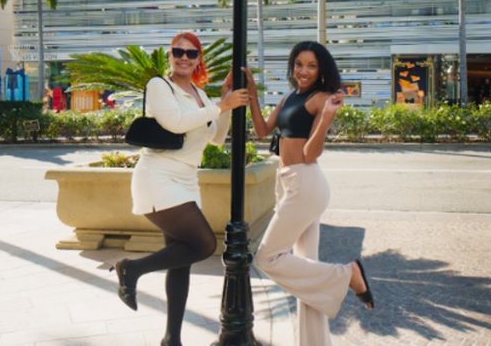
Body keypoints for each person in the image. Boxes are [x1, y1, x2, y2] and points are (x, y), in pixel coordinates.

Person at [110, 32, 248, 346]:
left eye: (191, 53)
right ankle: (131, 269)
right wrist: (220, 105)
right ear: (170, 56)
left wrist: (224, 104)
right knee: (203, 244)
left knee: (181, 262)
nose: (184, 58)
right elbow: (176, 123)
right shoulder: (160, 85)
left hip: (186, 180)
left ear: (199, 59)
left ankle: (171, 339)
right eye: (178, 52)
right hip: (158, 176)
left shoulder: (200, 94)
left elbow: (216, 138)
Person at [244, 41, 373, 346]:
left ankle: (349, 274)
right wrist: (251, 92)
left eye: (311, 66)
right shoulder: (290, 96)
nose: (303, 71)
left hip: (306, 184)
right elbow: (262, 130)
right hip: (288, 181)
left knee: (267, 257)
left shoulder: (322, 99)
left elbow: (310, 154)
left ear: (321, 70)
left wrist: (326, 118)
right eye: (299, 64)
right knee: (308, 274)